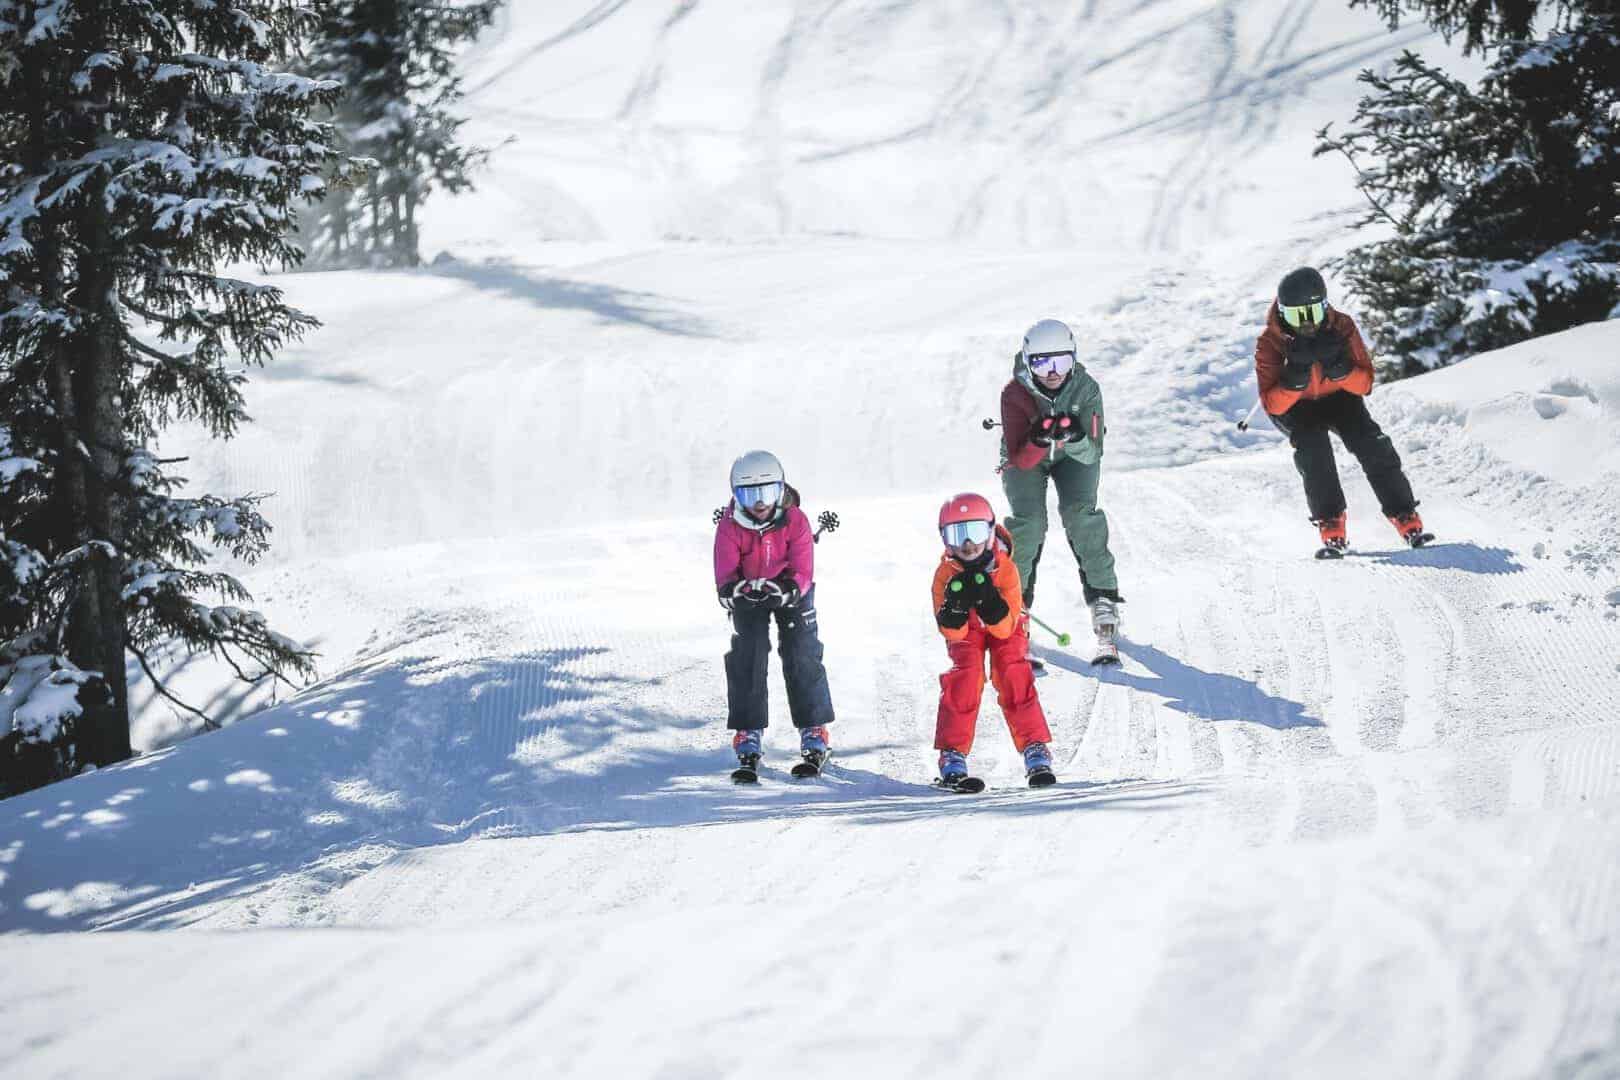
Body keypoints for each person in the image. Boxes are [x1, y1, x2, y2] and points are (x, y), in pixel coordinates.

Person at [1256, 267, 1431, 556]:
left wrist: (1340, 368)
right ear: (1282, 314)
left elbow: (1364, 384)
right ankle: (1331, 522)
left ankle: (1405, 515)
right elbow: (1273, 404)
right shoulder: (1270, 342)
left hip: (1339, 397)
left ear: (1325, 306)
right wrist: (1295, 377)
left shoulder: (1342, 327)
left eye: (1313, 312)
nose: (1307, 323)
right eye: (1296, 316)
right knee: (1313, 449)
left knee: (1371, 442)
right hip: (1295, 407)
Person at [1000, 318, 1123, 649]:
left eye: (1061, 361)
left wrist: (1076, 436)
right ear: (1028, 362)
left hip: (1074, 455)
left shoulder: (1086, 388)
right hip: (1029, 455)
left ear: (1073, 358)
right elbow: (1020, 458)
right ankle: (1015, 609)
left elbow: (1093, 452)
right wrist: (1040, 438)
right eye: (1042, 363)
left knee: (1081, 515)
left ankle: (1103, 599)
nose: (1053, 372)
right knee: (1028, 524)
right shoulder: (1015, 394)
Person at [713, 449, 834, 777]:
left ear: (780, 489)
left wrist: (791, 587)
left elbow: (803, 566)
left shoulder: (796, 520)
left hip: (791, 589)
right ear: (735, 495)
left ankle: (813, 728)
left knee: (801, 653)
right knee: (747, 654)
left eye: (766, 492)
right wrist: (732, 590)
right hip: (749, 591)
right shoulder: (729, 524)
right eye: (748, 494)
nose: (759, 502)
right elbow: (724, 569)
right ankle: (748, 730)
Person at [931, 492, 1055, 788]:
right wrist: (955, 610)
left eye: (974, 532)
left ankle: (1035, 748)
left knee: (1012, 669)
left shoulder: (1005, 568)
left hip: (1004, 624)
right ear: (945, 539)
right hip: (968, 629)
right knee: (966, 674)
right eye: (957, 535)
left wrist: (989, 602)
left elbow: (1004, 629)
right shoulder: (945, 575)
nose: (967, 544)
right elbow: (952, 634)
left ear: (988, 532)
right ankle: (952, 754)